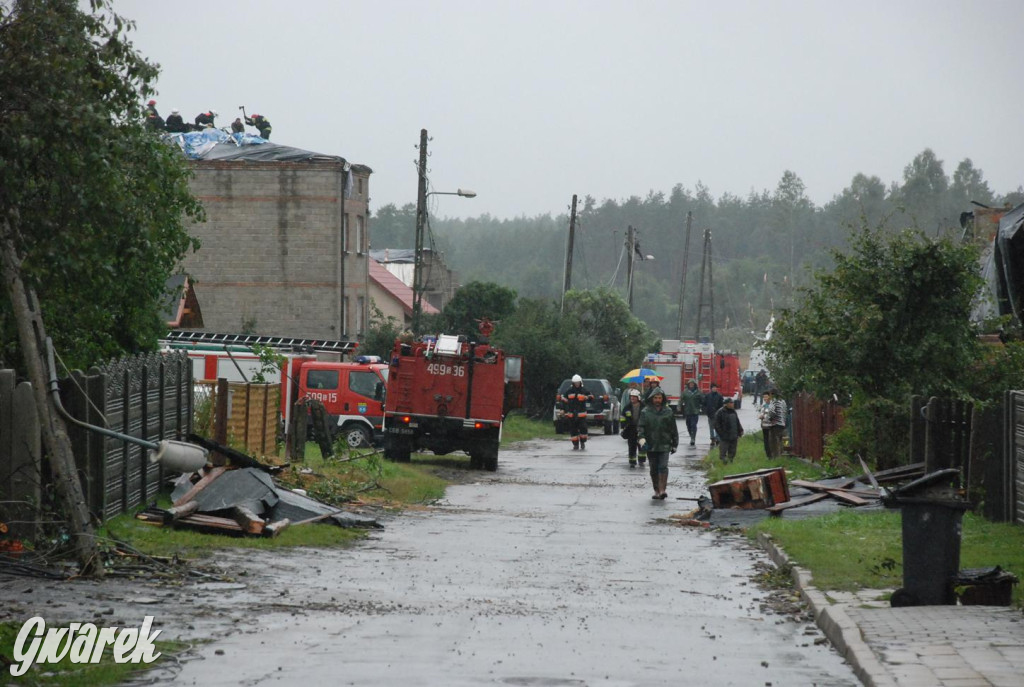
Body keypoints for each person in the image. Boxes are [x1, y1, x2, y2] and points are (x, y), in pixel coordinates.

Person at [637, 387, 678, 500]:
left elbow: (673, 429)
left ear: (663, 399)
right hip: (651, 445)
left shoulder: (668, 412)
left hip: (664, 444)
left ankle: (662, 490)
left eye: (659, 398)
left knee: (663, 467)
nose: (657, 400)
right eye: (655, 398)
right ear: (651, 398)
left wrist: (675, 444)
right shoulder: (645, 412)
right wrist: (642, 441)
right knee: (653, 468)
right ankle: (656, 490)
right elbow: (640, 428)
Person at [559, 374, 593, 450]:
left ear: (580, 382)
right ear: (573, 383)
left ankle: (583, 442)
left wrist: (585, 397)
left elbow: (591, 397)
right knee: (573, 430)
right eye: (575, 382)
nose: (577, 384)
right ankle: (575, 444)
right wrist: (562, 409)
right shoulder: (569, 391)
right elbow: (563, 401)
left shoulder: (584, 390)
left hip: (581, 415)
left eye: (578, 382)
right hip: (571, 415)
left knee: (583, 429)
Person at [713, 397, 744, 463]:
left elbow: (737, 422)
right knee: (723, 449)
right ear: (726, 404)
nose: (732, 404)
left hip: (734, 434)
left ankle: (731, 460)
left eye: (732, 402)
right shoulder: (720, 412)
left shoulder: (733, 411)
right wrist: (721, 433)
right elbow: (716, 424)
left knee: (733, 450)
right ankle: (724, 460)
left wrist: (740, 430)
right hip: (725, 435)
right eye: (731, 403)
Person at [758, 388, 787, 459]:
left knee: (773, 442)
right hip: (782, 423)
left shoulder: (774, 402)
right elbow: (785, 411)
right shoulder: (783, 401)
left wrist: (767, 417)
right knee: (781, 440)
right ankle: (782, 454)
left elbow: (772, 413)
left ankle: (776, 457)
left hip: (775, 424)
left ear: (772, 394)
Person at [619, 389, 644, 467]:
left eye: (634, 397)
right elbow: (622, 417)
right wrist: (623, 426)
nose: (632, 398)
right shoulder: (627, 407)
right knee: (632, 446)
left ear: (638, 398)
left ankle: (641, 460)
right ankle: (632, 461)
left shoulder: (644, 407)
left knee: (642, 445)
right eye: (631, 397)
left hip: (641, 429)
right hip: (631, 429)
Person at [679, 379, 703, 447]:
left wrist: (702, 406)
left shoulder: (698, 392)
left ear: (695, 384)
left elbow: (703, 400)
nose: (691, 385)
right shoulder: (685, 392)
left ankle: (693, 438)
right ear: (688, 384)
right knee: (688, 425)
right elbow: (681, 400)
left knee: (693, 425)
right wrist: (679, 406)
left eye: (692, 383)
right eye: (690, 384)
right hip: (687, 411)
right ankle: (691, 435)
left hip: (695, 411)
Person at [702, 382, 724, 447]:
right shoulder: (707, 396)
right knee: (711, 428)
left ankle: (717, 439)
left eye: (715, 387)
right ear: (711, 388)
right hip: (710, 414)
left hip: (718, 415)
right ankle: (712, 439)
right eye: (713, 387)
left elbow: (722, 405)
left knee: (717, 427)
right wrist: (706, 411)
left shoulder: (719, 396)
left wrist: (721, 413)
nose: (714, 389)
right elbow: (704, 404)